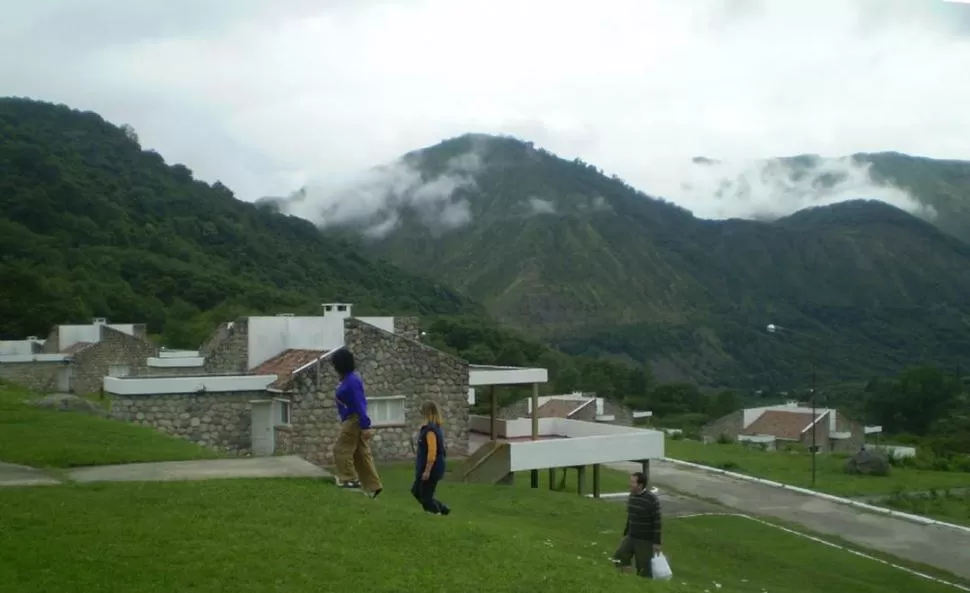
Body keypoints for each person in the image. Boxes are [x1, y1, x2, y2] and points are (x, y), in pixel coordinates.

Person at [330, 348, 383, 498]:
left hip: (354, 420)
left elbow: (360, 403)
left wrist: (366, 426)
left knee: (341, 449)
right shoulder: (349, 379)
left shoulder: (352, 381)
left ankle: (349, 479)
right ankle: (373, 485)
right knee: (361, 453)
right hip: (354, 419)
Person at [612, 471, 662, 578]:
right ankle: (628, 580)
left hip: (645, 540)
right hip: (631, 536)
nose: (630, 484)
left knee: (644, 569)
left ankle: (645, 587)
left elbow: (657, 522)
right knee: (619, 557)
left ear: (640, 485)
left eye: (632, 482)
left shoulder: (652, 499)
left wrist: (657, 543)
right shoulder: (632, 496)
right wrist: (625, 533)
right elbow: (630, 516)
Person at [411, 400, 450, 516]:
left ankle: (436, 512)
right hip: (424, 467)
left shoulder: (430, 431)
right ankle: (443, 509)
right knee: (416, 491)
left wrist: (427, 471)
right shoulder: (432, 428)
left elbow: (432, 453)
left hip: (431, 468)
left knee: (426, 497)